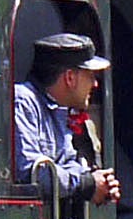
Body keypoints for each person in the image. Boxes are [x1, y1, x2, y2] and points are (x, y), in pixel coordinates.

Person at [15, 33, 121, 205]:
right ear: (70, 77)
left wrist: (96, 181)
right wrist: (85, 183)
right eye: (90, 75)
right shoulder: (22, 102)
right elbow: (29, 172)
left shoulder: (58, 110)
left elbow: (67, 161)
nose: (95, 84)